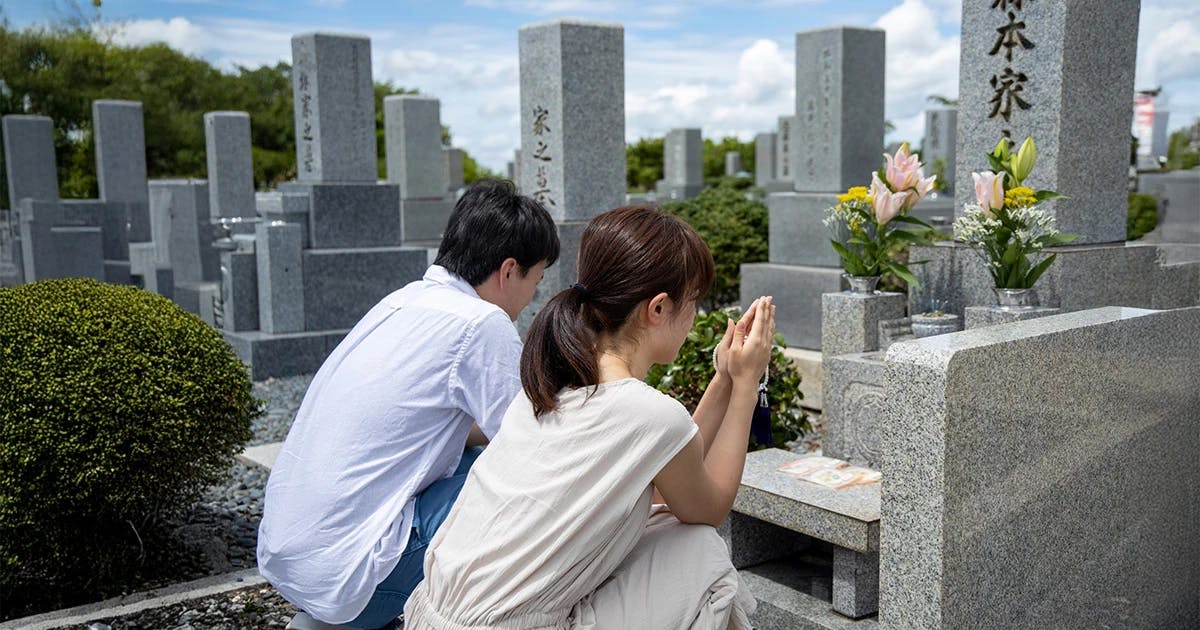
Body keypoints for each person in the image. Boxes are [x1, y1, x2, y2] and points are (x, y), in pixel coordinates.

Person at [404, 205, 774, 629]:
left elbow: (669, 461)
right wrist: (747, 384)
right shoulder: (647, 413)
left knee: (662, 527)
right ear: (657, 309)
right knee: (701, 552)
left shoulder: (555, 380)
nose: (695, 316)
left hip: (431, 615)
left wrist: (724, 378)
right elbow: (707, 508)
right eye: (692, 301)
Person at [257, 179, 560, 630]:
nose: (530, 298)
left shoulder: (403, 302)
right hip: (352, 586)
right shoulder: (482, 323)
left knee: (475, 459)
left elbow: (444, 426)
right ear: (509, 270)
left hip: (291, 559)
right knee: (526, 490)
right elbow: (534, 446)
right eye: (535, 281)